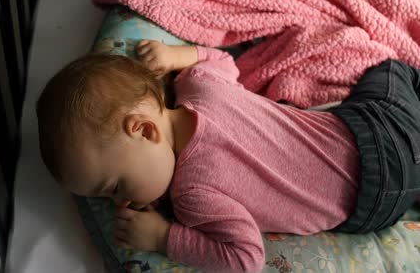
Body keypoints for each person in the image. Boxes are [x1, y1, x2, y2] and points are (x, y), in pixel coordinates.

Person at [36, 40, 420, 273]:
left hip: (374, 206)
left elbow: (245, 258)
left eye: (115, 186)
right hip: (375, 133)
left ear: (145, 129)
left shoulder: (192, 196)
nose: (121, 202)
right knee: (392, 70)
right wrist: (177, 54)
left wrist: (164, 237)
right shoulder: (197, 85)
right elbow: (223, 63)